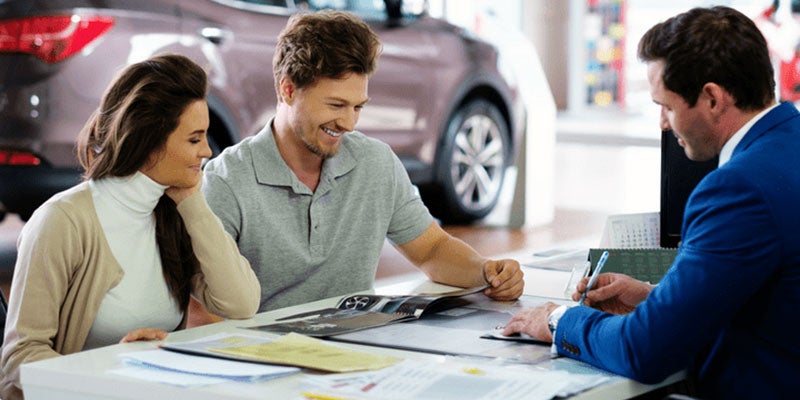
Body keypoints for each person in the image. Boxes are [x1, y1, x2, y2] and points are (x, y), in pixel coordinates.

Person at [502, 6, 800, 399]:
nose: (661, 122)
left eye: (667, 106)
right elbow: (766, 298)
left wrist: (561, 320)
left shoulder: (737, 189)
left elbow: (647, 351)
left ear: (712, 98)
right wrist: (656, 300)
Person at [201, 10, 524, 313]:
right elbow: (203, 305)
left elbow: (432, 249)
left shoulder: (375, 163)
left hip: (356, 354)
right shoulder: (227, 180)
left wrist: (486, 272)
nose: (349, 123)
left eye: (357, 107)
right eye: (336, 105)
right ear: (288, 89)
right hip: (261, 357)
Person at [0, 54, 261, 399]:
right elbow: (19, 357)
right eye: (195, 139)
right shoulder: (63, 220)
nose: (208, 152)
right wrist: (113, 371)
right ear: (149, 141)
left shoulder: (175, 213)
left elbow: (240, 304)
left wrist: (192, 203)